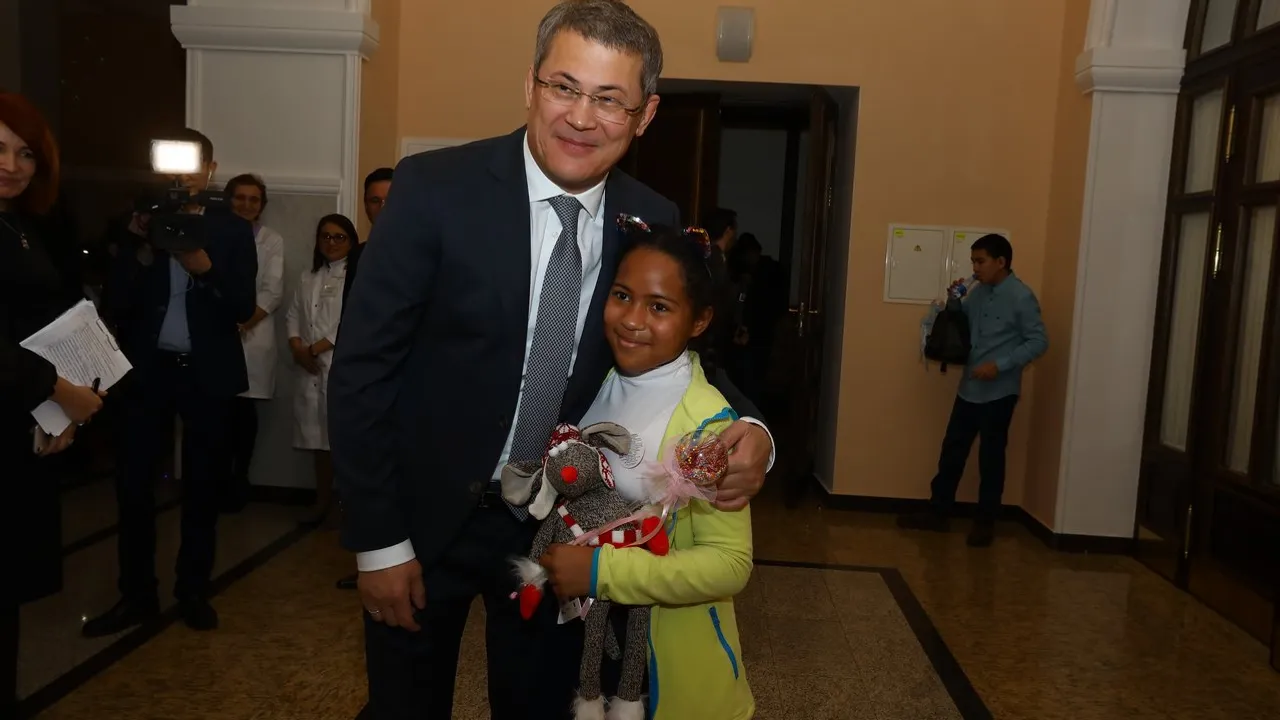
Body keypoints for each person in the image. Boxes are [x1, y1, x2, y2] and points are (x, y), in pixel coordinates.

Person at [327, 1, 775, 717]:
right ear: (530, 85)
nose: (581, 117)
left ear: (645, 114)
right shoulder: (435, 189)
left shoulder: (650, 215)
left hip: (558, 529)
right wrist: (378, 542)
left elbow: (678, 345)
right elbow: (362, 370)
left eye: (610, 99)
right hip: (422, 519)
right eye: (564, 87)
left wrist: (753, 427)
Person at [538, 220, 755, 719]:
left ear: (699, 321)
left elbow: (729, 563)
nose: (632, 320)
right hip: (577, 639)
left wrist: (600, 571)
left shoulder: (705, 424)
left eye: (659, 307)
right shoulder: (593, 380)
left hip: (655, 658)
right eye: (622, 296)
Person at [84, 128, 257, 636]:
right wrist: (137, 245)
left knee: (203, 487)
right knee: (133, 486)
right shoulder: (140, 222)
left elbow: (242, 307)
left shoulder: (231, 229)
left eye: (193, 165)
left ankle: (193, 591)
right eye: (172, 164)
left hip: (206, 371)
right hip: (148, 370)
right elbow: (117, 303)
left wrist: (205, 269)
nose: (183, 175)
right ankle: (136, 595)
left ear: (211, 169)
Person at [0, 91, 106, 717]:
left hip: (19, 422)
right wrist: (59, 392)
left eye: (25, 154)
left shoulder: (21, 226)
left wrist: (58, 411)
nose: (11, 165)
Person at [897, 233, 1048, 547]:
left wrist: (1001, 365)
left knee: (991, 459)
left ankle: (985, 523)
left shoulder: (1021, 296)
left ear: (1001, 262)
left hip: (999, 391)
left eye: (980, 261)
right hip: (969, 388)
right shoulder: (978, 291)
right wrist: (954, 301)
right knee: (952, 452)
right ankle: (938, 513)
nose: (975, 268)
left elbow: (1038, 341)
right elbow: (962, 322)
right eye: (973, 262)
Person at [335, 166, 393, 590]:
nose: (383, 208)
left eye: (391, 199)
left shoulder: (434, 248)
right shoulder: (359, 254)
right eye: (374, 200)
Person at [222, 173, 285, 513]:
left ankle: (238, 480)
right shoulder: (213, 233)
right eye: (240, 197)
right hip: (217, 334)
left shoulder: (271, 240)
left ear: (261, 205)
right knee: (217, 413)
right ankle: (215, 481)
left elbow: (272, 290)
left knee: (245, 415)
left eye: (254, 199)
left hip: (252, 334)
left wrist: (243, 321)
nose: (246, 204)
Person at [288, 214, 355, 525]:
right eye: (325, 236)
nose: (332, 242)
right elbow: (293, 315)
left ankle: (344, 506)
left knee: (341, 441)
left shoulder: (354, 277)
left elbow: (348, 321)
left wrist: (313, 349)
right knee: (317, 441)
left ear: (351, 241)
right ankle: (321, 501)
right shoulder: (309, 276)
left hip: (336, 365)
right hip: (309, 367)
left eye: (339, 237)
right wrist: (297, 347)